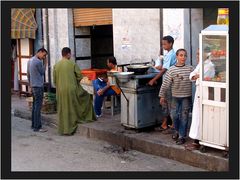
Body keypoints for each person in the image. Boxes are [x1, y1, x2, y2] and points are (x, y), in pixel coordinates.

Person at [53, 47, 96, 135]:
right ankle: (71, 127)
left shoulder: (56, 65)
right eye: (70, 54)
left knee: (63, 108)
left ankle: (63, 129)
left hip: (60, 90)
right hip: (72, 89)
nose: (71, 55)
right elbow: (79, 76)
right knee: (84, 98)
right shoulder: (72, 64)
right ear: (68, 54)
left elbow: (54, 81)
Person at [159, 49, 193, 145]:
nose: (183, 57)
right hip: (175, 97)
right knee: (174, 116)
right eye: (181, 55)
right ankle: (177, 131)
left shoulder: (190, 69)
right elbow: (165, 84)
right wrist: (162, 95)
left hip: (186, 97)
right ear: (177, 57)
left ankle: (182, 136)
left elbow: (195, 77)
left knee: (184, 116)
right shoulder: (172, 70)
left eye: (185, 55)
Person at [185, 49, 215, 150]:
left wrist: (197, 76)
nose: (197, 55)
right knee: (197, 115)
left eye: (199, 53)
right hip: (199, 92)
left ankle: (198, 141)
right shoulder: (200, 64)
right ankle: (196, 140)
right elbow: (192, 75)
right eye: (197, 53)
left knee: (202, 116)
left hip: (206, 92)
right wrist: (195, 76)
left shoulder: (210, 65)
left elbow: (202, 77)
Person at [148, 36, 177, 132]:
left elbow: (164, 69)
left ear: (171, 44)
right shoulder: (169, 54)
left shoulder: (170, 54)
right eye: (162, 44)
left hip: (169, 82)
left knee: (167, 104)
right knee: (166, 103)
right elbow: (164, 67)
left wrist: (154, 79)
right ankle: (165, 124)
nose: (163, 46)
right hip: (169, 81)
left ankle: (171, 126)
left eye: (165, 44)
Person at [27, 48, 48, 132]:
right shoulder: (38, 62)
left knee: (35, 106)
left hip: (33, 85)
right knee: (38, 107)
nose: (44, 57)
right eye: (44, 55)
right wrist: (45, 63)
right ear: (40, 52)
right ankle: (37, 127)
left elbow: (28, 74)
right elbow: (42, 72)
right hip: (38, 86)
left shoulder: (30, 60)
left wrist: (30, 85)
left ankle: (33, 125)